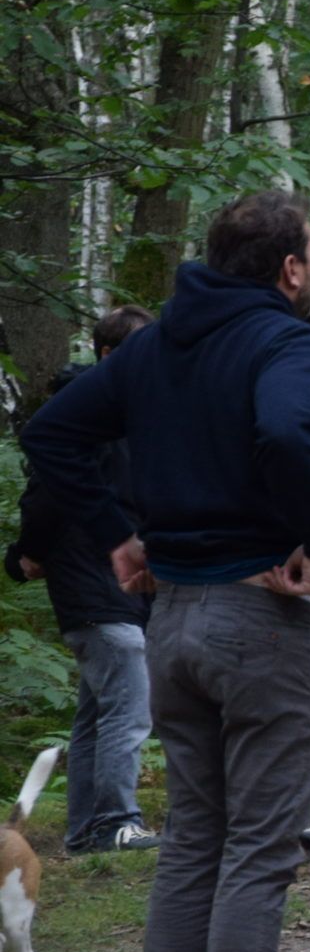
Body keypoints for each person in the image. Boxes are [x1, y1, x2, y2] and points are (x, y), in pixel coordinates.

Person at [24, 190, 310, 952]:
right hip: (263, 612)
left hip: (174, 622)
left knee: (196, 845)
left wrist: (125, 534)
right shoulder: (286, 345)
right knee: (259, 848)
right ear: (292, 270)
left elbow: (51, 432)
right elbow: (291, 435)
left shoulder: (156, 344)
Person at [5, 306, 160, 854]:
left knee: (99, 713)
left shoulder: (133, 419)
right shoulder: (85, 418)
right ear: (109, 355)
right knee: (128, 707)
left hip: (123, 591)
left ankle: (84, 830)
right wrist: (25, 554)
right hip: (92, 587)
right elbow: (45, 498)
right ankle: (115, 820)